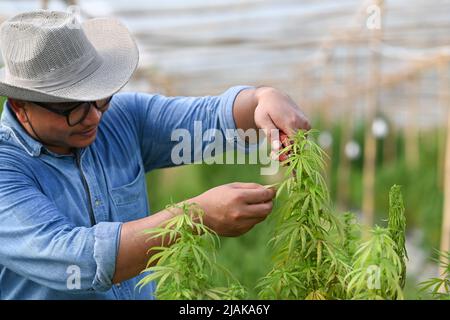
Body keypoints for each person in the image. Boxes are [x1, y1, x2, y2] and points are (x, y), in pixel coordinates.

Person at [0, 10, 310, 299]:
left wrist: (262, 99)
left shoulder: (122, 119)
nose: (94, 117)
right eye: (71, 109)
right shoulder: (6, 168)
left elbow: (210, 119)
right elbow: (75, 260)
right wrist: (192, 217)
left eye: (100, 99)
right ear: (20, 107)